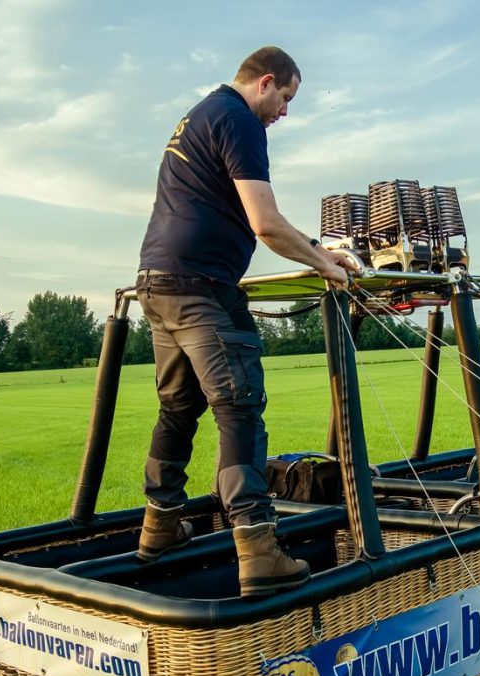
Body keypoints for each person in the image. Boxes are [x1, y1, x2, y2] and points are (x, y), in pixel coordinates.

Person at [135, 46, 352, 597]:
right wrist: (326, 265)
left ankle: (159, 527)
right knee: (239, 408)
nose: (285, 112)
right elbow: (266, 223)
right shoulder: (240, 120)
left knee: (178, 408)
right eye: (286, 98)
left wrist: (318, 248)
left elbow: (254, 216)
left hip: (158, 282)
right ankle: (258, 550)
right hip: (201, 288)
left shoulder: (201, 115)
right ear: (266, 82)